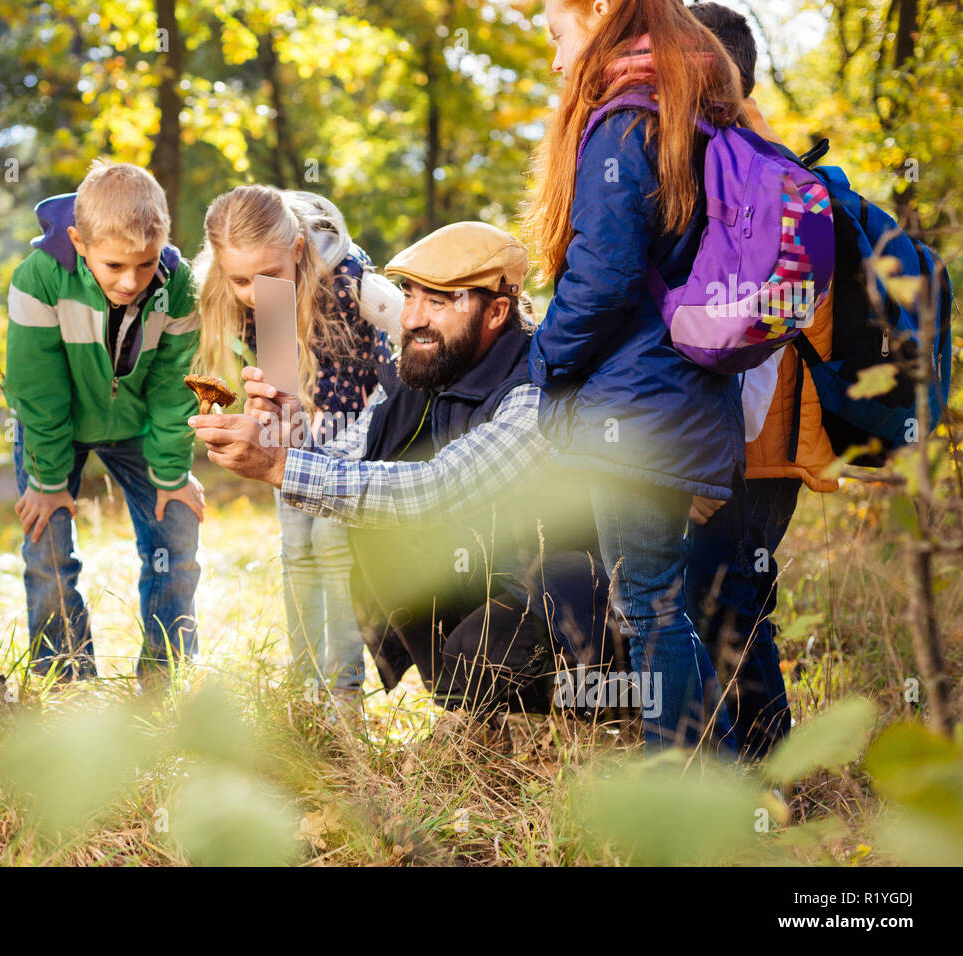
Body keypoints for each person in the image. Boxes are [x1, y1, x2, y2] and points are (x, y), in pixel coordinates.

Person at [191, 222, 614, 733]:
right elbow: (348, 456)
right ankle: (488, 713)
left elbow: (439, 490)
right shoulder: (423, 369)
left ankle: (598, 715)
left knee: (475, 656)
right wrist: (285, 436)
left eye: (437, 303)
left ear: (497, 311)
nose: (411, 318)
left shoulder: (535, 390)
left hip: (571, 594)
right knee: (431, 619)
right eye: (409, 296)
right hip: (486, 572)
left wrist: (278, 466)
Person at [525, 0, 748, 752]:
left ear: (599, 11)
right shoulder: (695, 111)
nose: (557, 61)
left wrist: (543, 360)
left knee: (648, 602)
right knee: (658, 598)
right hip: (683, 399)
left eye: (559, 36)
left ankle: (685, 781)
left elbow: (604, 275)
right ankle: (710, 768)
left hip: (639, 406)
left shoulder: (626, 122)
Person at [684, 1, 839, 758]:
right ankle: (762, 772)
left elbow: (766, 321)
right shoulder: (759, 154)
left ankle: (769, 777)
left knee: (728, 603)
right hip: (762, 432)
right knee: (734, 600)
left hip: (749, 433)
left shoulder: (750, 168)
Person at [4, 161, 203, 685]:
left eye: (144, 264)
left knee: (176, 532)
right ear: (79, 241)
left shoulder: (179, 286)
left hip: (138, 426)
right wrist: (47, 481)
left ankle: (167, 675)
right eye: (114, 266)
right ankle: (66, 678)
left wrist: (170, 473)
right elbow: (37, 390)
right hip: (57, 430)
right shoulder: (39, 279)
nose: (131, 281)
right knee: (48, 548)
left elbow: (172, 388)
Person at [193, 186, 393, 701]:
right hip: (296, 436)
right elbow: (282, 385)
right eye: (241, 281)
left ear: (299, 249)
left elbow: (401, 368)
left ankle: (345, 697)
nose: (256, 292)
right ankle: (302, 691)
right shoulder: (260, 292)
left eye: (268, 277)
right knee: (296, 548)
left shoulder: (353, 282)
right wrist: (263, 409)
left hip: (356, 434)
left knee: (332, 548)